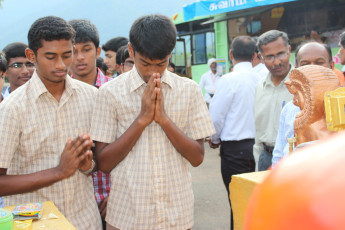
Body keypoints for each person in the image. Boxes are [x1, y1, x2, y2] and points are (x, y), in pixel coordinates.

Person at [90, 14, 215, 230]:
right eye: (145, 63)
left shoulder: (188, 90)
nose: (153, 72)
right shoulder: (110, 93)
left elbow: (197, 157)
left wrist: (163, 119)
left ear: (170, 55)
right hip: (126, 216)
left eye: (162, 63)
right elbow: (104, 163)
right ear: (131, 51)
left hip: (177, 215)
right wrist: (142, 119)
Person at [0, 16, 102, 229]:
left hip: (84, 221)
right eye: (50, 56)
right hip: (34, 224)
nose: (60, 65)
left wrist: (87, 166)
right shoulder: (12, 109)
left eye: (67, 55)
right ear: (31, 55)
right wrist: (58, 172)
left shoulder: (92, 97)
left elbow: (95, 164)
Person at [209, 36, 260, 230]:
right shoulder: (261, 78)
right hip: (258, 147)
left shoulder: (228, 80)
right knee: (256, 202)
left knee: (238, 204)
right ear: (255, 55)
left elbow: (216, 116)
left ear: (231, 55)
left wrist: (214, 138)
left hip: (234, 150)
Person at [69, 18, 111, 229]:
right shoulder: (59, 96)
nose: (79, 58)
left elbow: (134, 150)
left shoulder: (115, 92)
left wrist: (117, 194)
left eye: (86, 49)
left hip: (112, 200)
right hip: (73, 204)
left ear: (98, 50)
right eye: (73, 51)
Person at [272, 41, 342, 166]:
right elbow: (279, 153)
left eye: (319, 62)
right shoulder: (289, 109)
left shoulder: (342, 103)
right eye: (305, 64)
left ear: (331, 66)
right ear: (296, 68)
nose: (312, 68)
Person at [254, 30, 294, 171]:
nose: (277, 62)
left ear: (289, 50)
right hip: (265, 158)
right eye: (270, 57)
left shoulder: (301, 86)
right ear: (261, 57)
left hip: (294, 160)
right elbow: (259, 132)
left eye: (281, 54)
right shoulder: (260, 87)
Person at [69, 19, 111, 88]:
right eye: (73, 52)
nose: (80, 57)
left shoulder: (116, 88)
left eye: (86, 50)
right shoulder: (59, 91)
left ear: (97, 51)